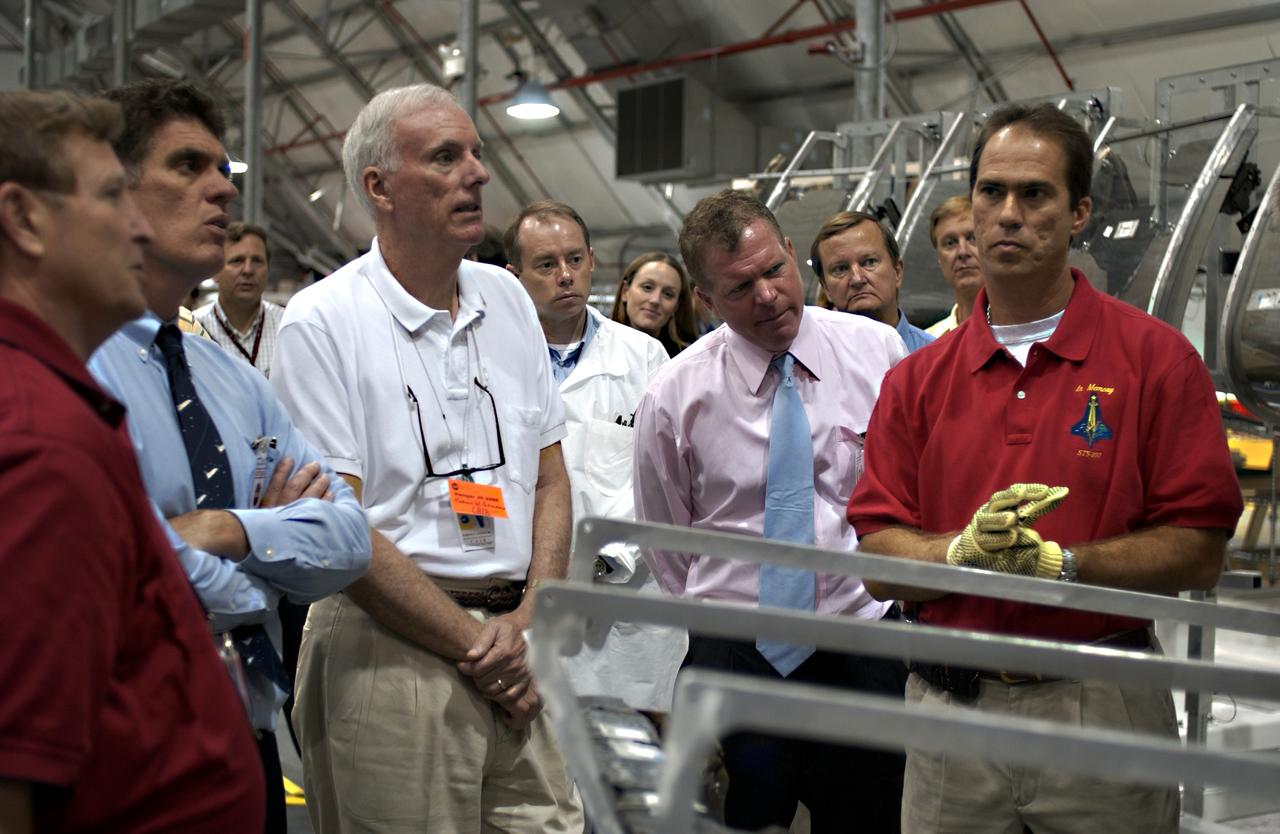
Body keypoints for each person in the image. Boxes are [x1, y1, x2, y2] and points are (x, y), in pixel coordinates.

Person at [848, 103, 1244, 834]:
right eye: (991, 192)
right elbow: (878, 555)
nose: (1007, 215)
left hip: (1102, 704)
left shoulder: (1155, 361)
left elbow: (1199, 547)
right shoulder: (917, 380)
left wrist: (1063, 566)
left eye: (1035, 195)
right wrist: (961, 555)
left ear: (1079, 212)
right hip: (950, 715)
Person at [270, 84, 582, 833]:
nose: (477, 173)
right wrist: (482, 646)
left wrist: (532, 622)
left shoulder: (506, 298)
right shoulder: (324, 320)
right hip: (389, 650)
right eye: (446, 157)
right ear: (379, 187)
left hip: (519, 641)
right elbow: (338, 525)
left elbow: (549, 478)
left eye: (476, 153)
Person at [88, 79, 371, 834]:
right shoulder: (78, 367)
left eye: (222, 168)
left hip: (247, 740)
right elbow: (127, 561)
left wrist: (225, 529)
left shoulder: (232, 379)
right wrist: (262, 581)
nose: (221, 188)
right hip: (120, 745)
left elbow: (348, 540)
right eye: (187, 166)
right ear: (109, 190)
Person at [0, 89, 263, 833]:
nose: (138, 224)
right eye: (115, 195)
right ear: (23, 219)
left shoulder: (60, 401)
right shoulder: (39, 443)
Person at [634, 189, 908, 833]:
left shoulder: (880, 356)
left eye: (773, 271)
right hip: (738, 657)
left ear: (791, 252)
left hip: (860, 639)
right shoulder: (674, 396)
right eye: (738, 288)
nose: (766, 296)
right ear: (703, 300)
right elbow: (667, 541)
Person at [505, 200, 685, 713]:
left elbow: (662, 478)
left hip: (622, 603)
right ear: (514, 276)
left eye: (574, 260)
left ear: (591, 259)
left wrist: (603, 559)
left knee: (623, 779)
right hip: (522, 596)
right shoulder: (491, 362)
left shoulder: (644, 356)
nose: (565, 276)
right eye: (545, 265)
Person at [810, 210, 934, 353]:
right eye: (841, 269)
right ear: (825, 288)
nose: (857, 279)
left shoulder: (938, 359)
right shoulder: (812, 365)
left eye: (869, 262)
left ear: (897, 271)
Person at [195, 221, 285, 377]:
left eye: (257, 261)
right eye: (237, 261)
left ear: (268, 269)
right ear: (216, 271)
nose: (248, 270)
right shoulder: (194, 328)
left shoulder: (286, 325)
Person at [610, 251, 700, 356]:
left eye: (668, 294)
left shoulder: (688, 360)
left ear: (676, 306)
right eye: (647, 287)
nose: (655, 300)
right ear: (625, 291)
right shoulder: (596, 348)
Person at [925, 195, 982, 337]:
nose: (963, 251)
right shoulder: (929, 342)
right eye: (950, 243)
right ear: (939, 258)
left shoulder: (1023, 332)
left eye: (972, 238)